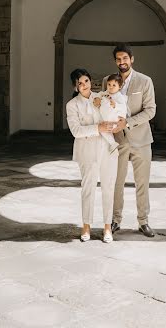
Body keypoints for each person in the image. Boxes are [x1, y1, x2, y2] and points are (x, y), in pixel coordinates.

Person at [103, 43, 156, 238]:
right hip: (117, 142)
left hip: (141, 140)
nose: (122, 62)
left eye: (125, 58)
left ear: (132, 59)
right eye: (118, 59)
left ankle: (143, 221)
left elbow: (151, 110)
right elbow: (102, 107)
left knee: (142, 182)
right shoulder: (107, 81)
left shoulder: (145, 81)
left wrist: (128, 123)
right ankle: (115, 220)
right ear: (115, 61)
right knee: (116, 182)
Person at [66, 68, 118, 243]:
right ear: (75, 87)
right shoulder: (72, 105)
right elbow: (76, 131)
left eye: (86, 81)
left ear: (90, 81)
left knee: (108, 188)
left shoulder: (102, 97)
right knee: (88, 188)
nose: (84, 85)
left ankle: (107, 227)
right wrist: (97, 128)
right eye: (79, 83)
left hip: (107, 148)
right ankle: (86, 225)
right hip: (87, 151)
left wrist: (111, 108)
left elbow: (115, 114)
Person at [93, 73, 128, 154]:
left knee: (106, 130)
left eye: (114, 85)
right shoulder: (105, 92)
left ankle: (113, 144)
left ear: (119, 87)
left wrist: (115, 105)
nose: (111, 87)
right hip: (104, 118)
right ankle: (113, 144)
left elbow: (123, 108)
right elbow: (99, 94)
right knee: (102, 130)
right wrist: (97, 98)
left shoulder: (119, 97)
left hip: (113, 120)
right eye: (109, 84)